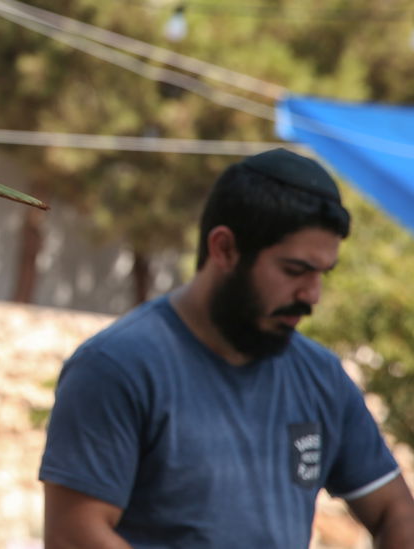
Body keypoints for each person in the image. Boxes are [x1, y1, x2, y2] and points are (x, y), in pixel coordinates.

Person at [39, 149, 414, 548]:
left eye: (322, 274)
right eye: (294, 270)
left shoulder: (320, 376)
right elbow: (73, 535)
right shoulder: (117, 367)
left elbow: (397, 512)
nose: (312, 294)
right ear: (224, 249)